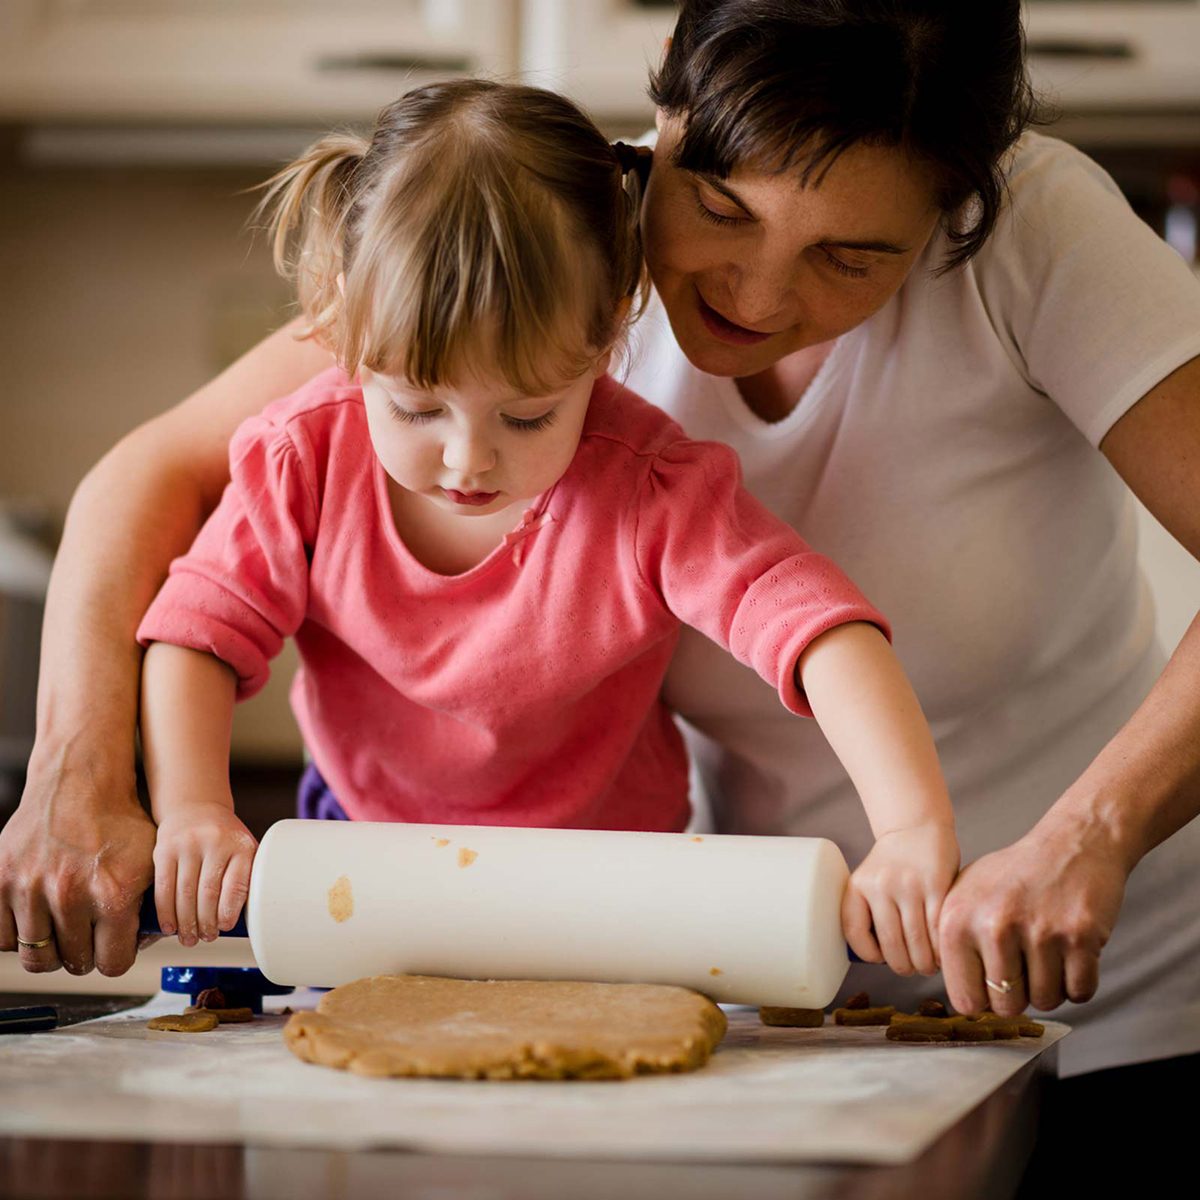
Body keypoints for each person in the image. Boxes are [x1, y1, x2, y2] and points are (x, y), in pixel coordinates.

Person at [1, 0, 1197, 1161]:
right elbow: (163, 478)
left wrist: (1054, 833)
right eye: (719, 208)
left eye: (851, 256)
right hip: (780, 987)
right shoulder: (537, 240)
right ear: (665, 89)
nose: (756, 296)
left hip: (1112, 993)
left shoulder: (1019, 235)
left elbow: (814, 623)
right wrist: (102, 777)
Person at [130, 78, 957, 968]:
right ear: (341, 325)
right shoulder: (305, 459)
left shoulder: (648, 489)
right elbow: (199, 635)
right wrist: (194, 809)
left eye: (526, 418)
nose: (466, 461)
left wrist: (911, 826)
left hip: (609, 897)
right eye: (416, 410)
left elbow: (815, 629)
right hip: (366, 882)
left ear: (607, 337)